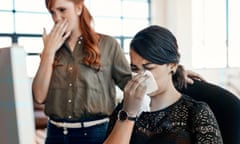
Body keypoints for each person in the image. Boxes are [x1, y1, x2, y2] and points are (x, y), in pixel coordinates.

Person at [32, 0, 131, 143]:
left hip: (95, 134)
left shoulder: (108, 45)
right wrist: (48, 52)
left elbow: (131, 88)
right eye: (52, 12)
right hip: (55, 134)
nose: (56, 18)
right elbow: (39, 96)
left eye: (62, 10)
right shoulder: (51, 48)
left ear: (78, 8)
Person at [104, 25, 223, 144]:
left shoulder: (196, 112)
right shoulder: (124, 110)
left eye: (149, 68)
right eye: (135, 69)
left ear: (172, 66)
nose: (141, 76)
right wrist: (128, 114)